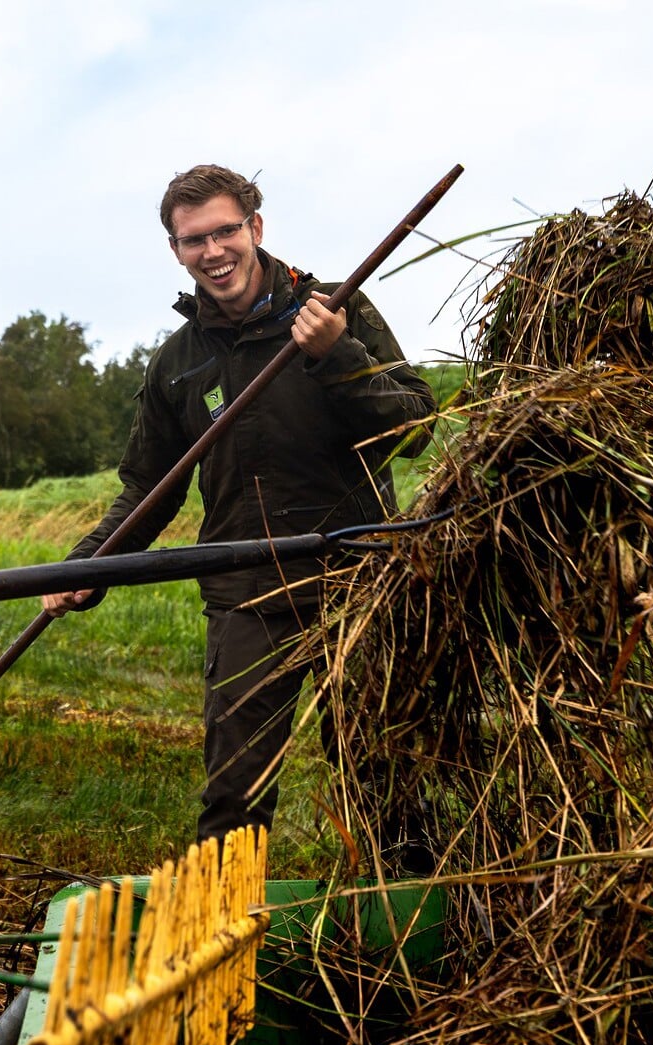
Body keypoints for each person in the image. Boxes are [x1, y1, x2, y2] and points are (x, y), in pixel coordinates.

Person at [42, 165, 436, 842]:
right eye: (194, 240)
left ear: (255, 227)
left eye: (225, 231)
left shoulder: (334, 310)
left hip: (358, 579)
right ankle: (222, 936)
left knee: (386, 777)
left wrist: (334, 355)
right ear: (176, 250)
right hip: (247, 596)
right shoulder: (177, 362)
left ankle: (407, 926)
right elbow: (149, 489)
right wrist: (88, 566)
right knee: (234, 796)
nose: (213, 251)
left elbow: (415, 426)